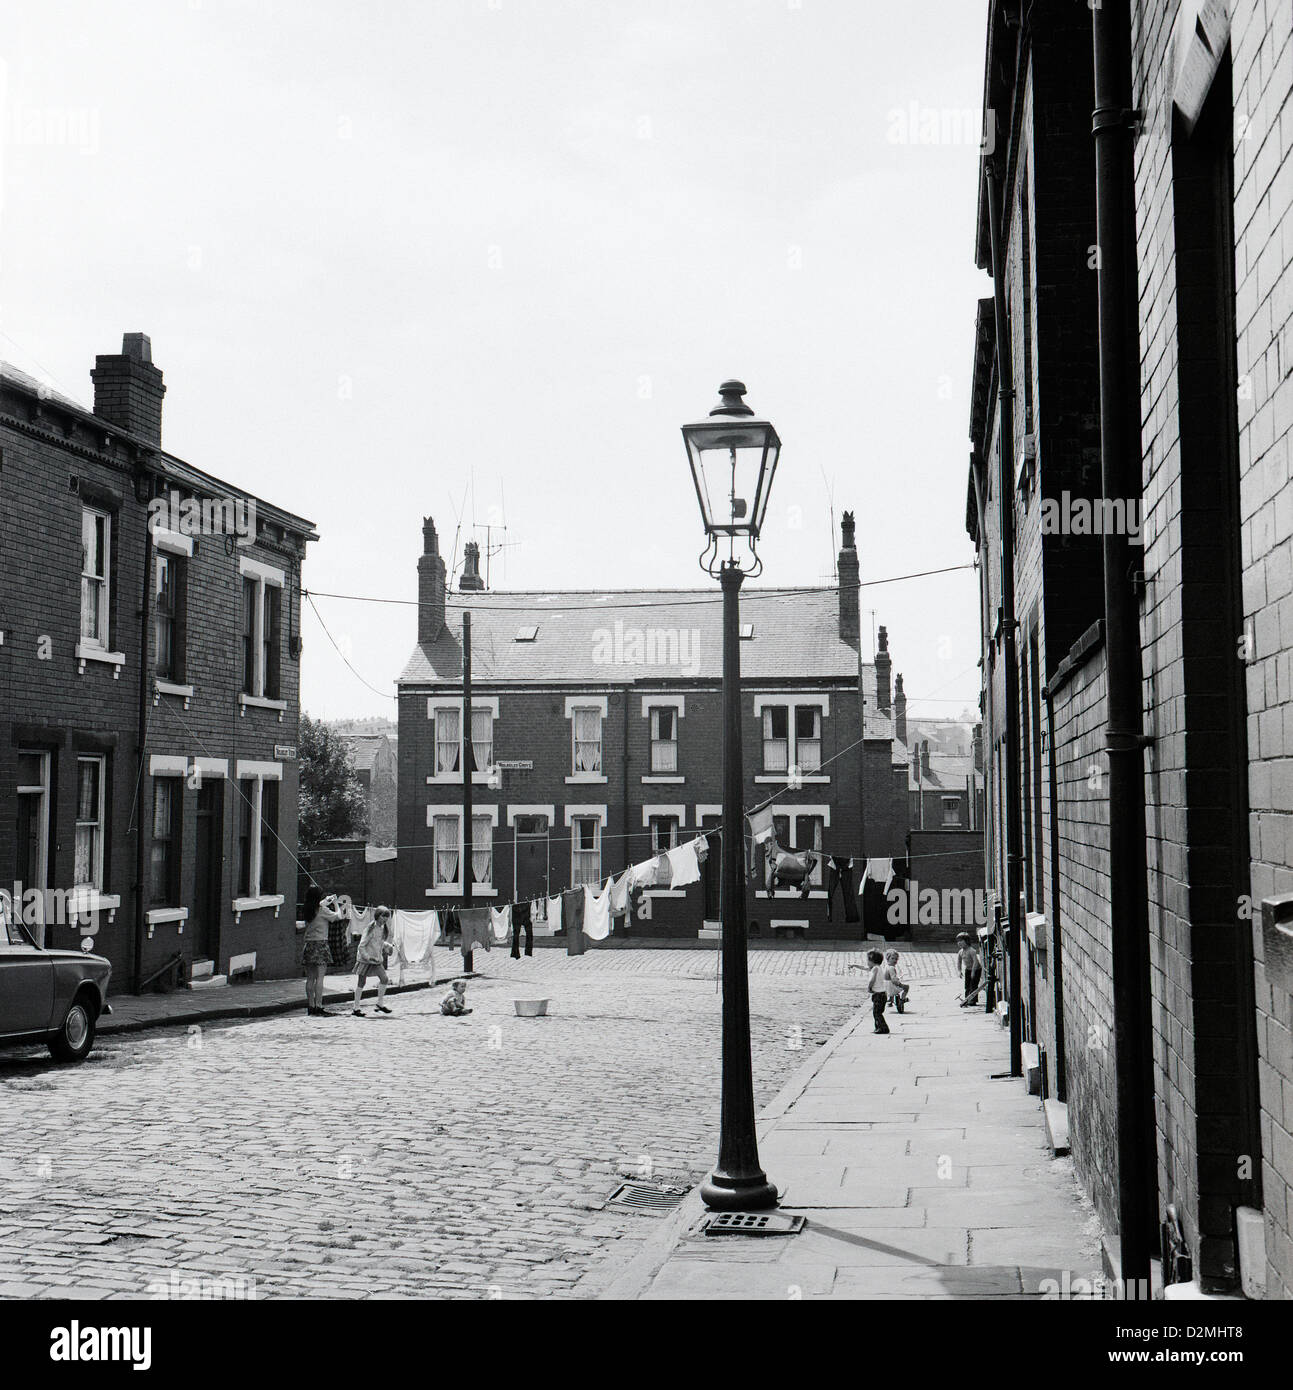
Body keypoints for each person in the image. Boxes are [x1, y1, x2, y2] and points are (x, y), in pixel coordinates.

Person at [301, 886, 343, 1017]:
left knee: (310, 978)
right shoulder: (323, 910)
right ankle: (319, 1006)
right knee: (320, 978)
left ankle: (310, 1006)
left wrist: (326, 900)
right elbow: (338, 916)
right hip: (321, 944)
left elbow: (317, 906)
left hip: (309, 945)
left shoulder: (307, 909)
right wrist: (335, 903)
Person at [353, 906, 394, 1017]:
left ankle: (379, 1004)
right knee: (361, 982)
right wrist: (367, 957)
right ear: (377, 916)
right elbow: (361, 946)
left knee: (384, 979)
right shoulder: (370, 928)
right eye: (383, 916)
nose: (385, 919)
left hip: (376, 959)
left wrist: (388, 946)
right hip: (366, 960)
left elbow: (379, 943)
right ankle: (356, 1008)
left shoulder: (383, 928)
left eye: (387, 917)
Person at [864, 949, 890, 1034]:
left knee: (876, 1012)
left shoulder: (875, 969)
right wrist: (854, 965)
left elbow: (872, 980)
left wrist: (869, 987)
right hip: (882, 994)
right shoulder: (877, 968)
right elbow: (864, 968)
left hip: (878, 995)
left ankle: (883, 1028)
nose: (867, 962)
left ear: (872, 960)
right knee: (878, 1012)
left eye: (868, 960)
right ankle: (878, 1027)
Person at [956, 933, 983, 1007]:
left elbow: (975, 962)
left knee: (973, 985)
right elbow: (959, 962)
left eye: (961, 941)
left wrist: (973, 972)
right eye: (958, 941)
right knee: (967, 985)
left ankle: (973, 1000)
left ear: (967, 941)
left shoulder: (971, 950)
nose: (959, 943)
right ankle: (967, 999)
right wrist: (959, 971)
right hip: (968, 970)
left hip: (976, 969)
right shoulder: (960, 952)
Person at [884, 949, 910, 1014]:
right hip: (891, 986)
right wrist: (900, 984)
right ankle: (902, 999)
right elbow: (893, 979)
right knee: (906, 987)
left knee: (893, 988)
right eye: (892, 958)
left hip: (886, 986)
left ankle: (890, 999)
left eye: (896, 959)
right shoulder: (891, 968)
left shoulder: (886, 966)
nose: (894, 960)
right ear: (888, 958)